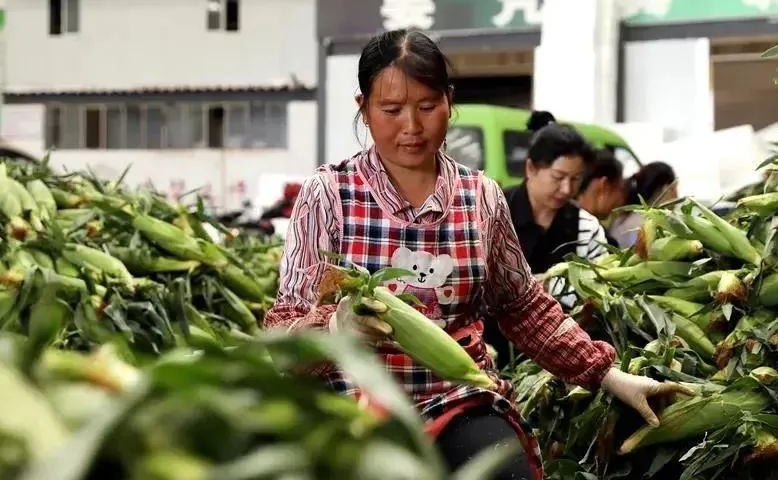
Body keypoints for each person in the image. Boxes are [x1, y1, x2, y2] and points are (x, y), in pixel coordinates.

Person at [263, 29, 690, 479]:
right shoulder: (329, 194)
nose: (411, 126)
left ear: (449, 102)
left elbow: (521, 305)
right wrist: (334, 325)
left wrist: (606, 374)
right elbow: (284, 328)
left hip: (454, 399)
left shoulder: (480, 196)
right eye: (391, 110)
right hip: (352, 405)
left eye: (427, 107)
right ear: (363, 109)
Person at [485, 112, 608, 364]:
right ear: (531, 168)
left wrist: (560, 288)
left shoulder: (586, 227)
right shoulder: (491, 211)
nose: (567, 189)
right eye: (558, 177)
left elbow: (603, 291)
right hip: (492, 355)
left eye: (575, 179)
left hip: (560, 360)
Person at [610, 162, 678, 249]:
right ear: (666, 188)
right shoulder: (650, 226)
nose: (676, 195)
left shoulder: (623, 218)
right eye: (674, 188)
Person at [576, 151, 627, 246]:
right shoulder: (602, 241)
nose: (620, 200)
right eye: (620, 189)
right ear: (604, 185)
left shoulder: (554, 223)